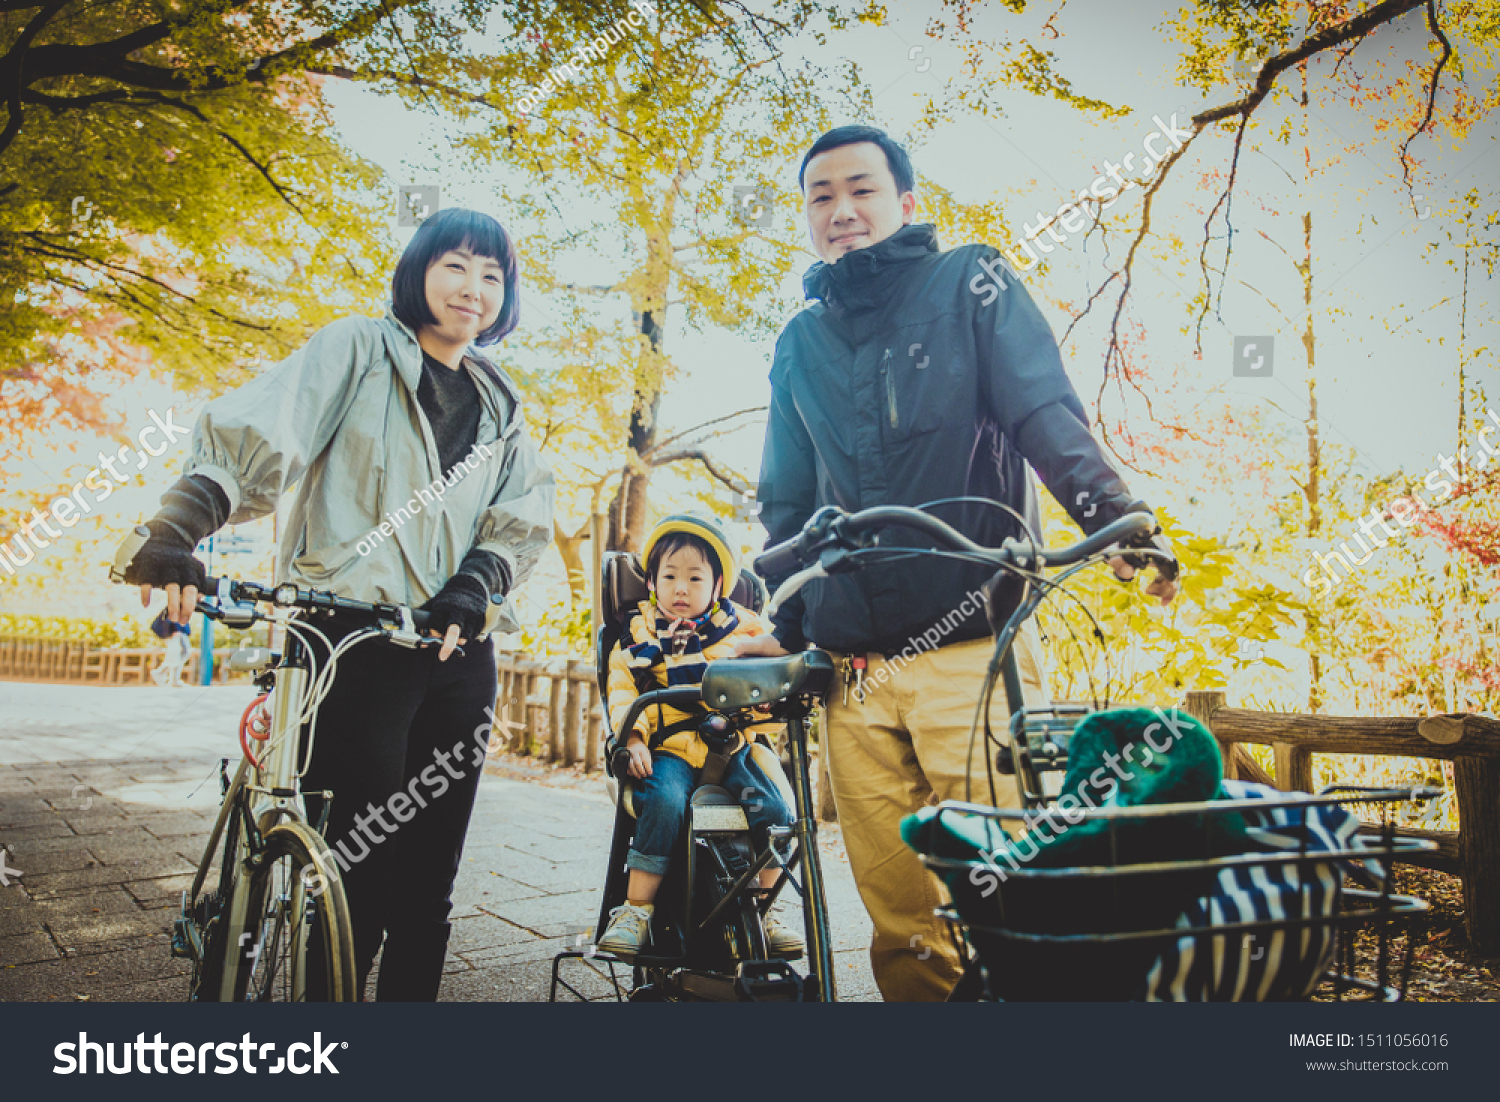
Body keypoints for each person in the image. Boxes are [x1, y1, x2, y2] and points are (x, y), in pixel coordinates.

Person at [736, 125, 1180, 1001]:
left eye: (860, 189)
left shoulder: (969, 283)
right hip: (851, 671)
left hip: (972, 651)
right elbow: (785, 503)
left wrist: (1117, 516)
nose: (841, 210)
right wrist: (782, 628)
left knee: (1009, 890)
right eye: (820, 196)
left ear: (905, 202)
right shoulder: (800, 341)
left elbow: (1043, 410)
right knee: (900, 919)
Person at [115, 207, 556, 1000]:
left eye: (494, 276)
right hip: (348, 639)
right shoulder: (357, 349)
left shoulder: (501, 403)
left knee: (430, 878)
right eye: (457, 265)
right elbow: (266, 432)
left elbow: (519, 518)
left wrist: (473, 585)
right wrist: (180, 526)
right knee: (358, 869)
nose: (474, 288)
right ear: (419, 270)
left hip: (457, 649)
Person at [596, 514, 803, 960]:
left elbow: (768, 685)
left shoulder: (744, 630)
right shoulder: (638, 633)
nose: (681, 589)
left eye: (695, 578)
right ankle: (635, 910)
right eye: (669, 577)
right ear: (652, 581)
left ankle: (766, 908)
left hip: (731, 747)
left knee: (775, 809)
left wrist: (764, 707)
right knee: (665, 802)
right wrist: (631, 737)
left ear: (719, 585)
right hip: (667, 747)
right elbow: (622, 690)